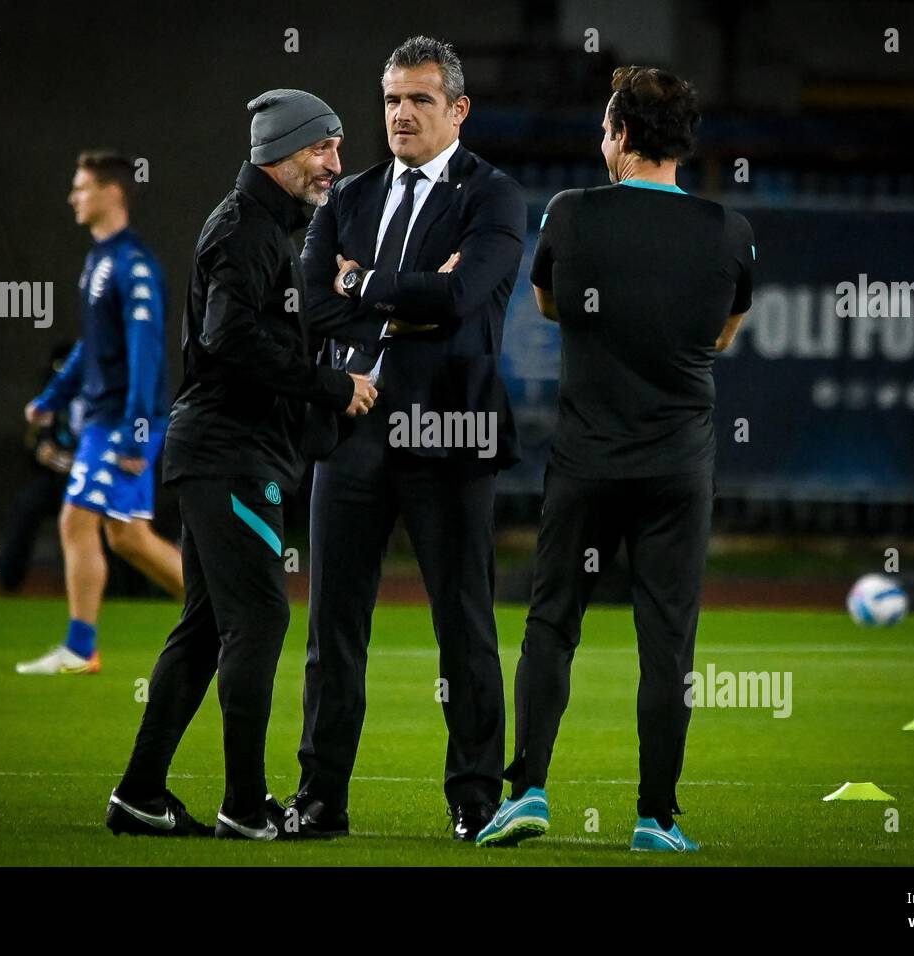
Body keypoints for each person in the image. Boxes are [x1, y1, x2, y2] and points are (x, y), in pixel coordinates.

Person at [475, 67, 754, 852]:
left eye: (605, 128)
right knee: (668, 643)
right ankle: (656, 818)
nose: (602, 141)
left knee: (551, 625)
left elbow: (549, 305)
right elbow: (720, 334)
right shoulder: (728, 231)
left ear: (624, 136)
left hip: (588, 459)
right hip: (678, 465)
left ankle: (526, 789)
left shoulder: (571, 214)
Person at [106, 90, 378, 839]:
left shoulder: (263, 229)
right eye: (323, 149)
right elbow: (229, 339)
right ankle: (246, 803)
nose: (335, 165)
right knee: (258, 617)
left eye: (337, 148)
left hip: (221, 451)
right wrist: (330, 385)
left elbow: (253, 336)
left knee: (203, 627)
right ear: (281, 153)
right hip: (230, 455)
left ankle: (140, 794)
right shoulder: (247, 229)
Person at [289, 36, 524, 841]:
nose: (400, 113)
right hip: (352, 427)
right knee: (332, 630)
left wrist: (364, 284)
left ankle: (476, 799)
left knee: (464, 627)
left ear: (457, 110)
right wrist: (398, 296)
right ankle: (319, 799)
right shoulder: (348, 197)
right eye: (391, 98)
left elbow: (462, 299)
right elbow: (313, 306)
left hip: (450, 426)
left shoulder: (494, 196)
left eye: (420, 99)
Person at [17, 151, 184, 675]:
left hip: (120, 422)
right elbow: (94, 347)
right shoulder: (99, 261)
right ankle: (229, 614)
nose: (73, 197)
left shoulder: (133, 265)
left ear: (113, 192)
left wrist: (136, 432)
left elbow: (146, 352)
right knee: (127, 537)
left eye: (83, 187)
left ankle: (81, 648)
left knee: (75, 521)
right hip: (101, 418)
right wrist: (54, 400)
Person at [0, 344, 80, 593]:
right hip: (56, 479)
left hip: (89, 479)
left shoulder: (101, 396)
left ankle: (115, 589)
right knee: (26, 504)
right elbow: (34, 444)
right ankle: (9, 582)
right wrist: (43, 452)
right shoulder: (52, 402)